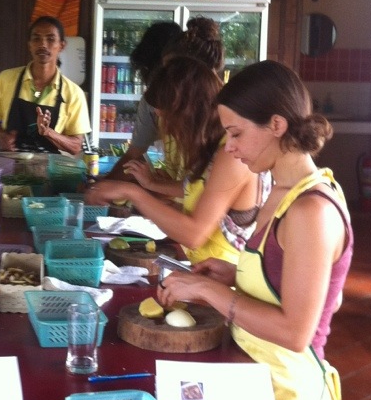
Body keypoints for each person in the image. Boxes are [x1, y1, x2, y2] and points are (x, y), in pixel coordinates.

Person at [156, 60, 353, 400]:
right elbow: (289, 281)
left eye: (236, 133)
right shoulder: (281, 191)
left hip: (289, 397)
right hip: (257, 378)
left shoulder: (311, 210)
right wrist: (233, 276)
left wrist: (210, 292)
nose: (229, 147)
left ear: (277, 125)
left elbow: (295, 332)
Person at [86, 56, 270, 264]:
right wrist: (152, 185)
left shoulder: (232, 155)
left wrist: (132, 192)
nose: (165, 127)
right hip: (201, 270)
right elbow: (203, 189)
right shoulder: (212, 146)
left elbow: (194, 235)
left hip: (222, 273)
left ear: (187, 114)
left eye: (166, 118)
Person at [0, 16, 91, 154]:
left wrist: (48, 133)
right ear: (29, 45)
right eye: (36, 38)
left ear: (61, 46)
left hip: (50, 167)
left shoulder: (74, 94)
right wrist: (1, 137)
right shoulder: (6, 79)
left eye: (50, 39)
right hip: (10, 164)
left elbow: (76, 146)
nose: (43, 44)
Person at [105, 20, 182, 178]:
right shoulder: (150, 102)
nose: (158, 112)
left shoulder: (200, 118)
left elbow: (192, 187)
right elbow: (135, 153)